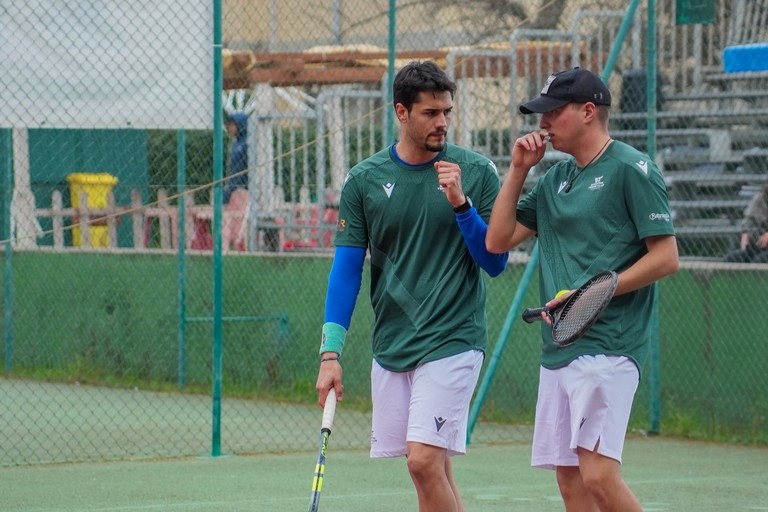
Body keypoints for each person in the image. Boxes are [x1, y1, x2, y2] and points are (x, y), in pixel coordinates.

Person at [314, 60, 509, 512]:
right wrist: (330, 354)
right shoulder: (363, 180)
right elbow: (346, 270)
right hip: (394, 343)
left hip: (453, 339)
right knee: (433, 470)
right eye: (430, 113)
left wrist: (462, 205)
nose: (442, 122)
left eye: (447, 111)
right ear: (401, 112)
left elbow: (494, 262)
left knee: (422, 463)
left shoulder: (476, 172)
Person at [486, 67, 679, 512]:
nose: (543, 124)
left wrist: (597, 293)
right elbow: (497, 241)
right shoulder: (554, 180)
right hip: (559, 348)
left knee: (598, 475)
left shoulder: (633, 169)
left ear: (588, 111)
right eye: (541, 114)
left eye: (553, 113)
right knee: (571, 481)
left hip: (609, 347)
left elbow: (666, 258)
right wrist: (517, 170)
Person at [723, 184, 768, 263]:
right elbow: (748, 222)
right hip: (757, 243)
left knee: (760, 260)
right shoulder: (760, 198)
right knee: (731, 259)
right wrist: (745, 240)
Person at [223, 111, 249, 204]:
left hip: (244, 186)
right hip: (233, 184)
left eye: (232, 125)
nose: (229, 128)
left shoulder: (247, 142)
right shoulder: (235, 143)